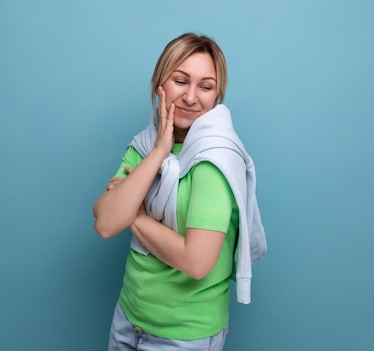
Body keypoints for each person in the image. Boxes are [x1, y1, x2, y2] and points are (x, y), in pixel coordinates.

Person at [93, 32, 266, 351]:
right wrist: (159, 151)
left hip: (184, 336)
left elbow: (196, 261)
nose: (190, 97)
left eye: (206, 86)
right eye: (181, 81)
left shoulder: (214, 161)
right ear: (160, 84)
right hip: (128, 319)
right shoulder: (146, 145)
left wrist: (136, 215)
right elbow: (105, 223)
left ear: (217, 96)